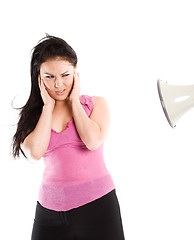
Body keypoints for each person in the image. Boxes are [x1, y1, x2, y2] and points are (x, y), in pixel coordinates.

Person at [12, 35, 125, 240]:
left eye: (65, 75)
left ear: (76, 73)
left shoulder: (96, 104)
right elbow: (35, 152)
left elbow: (93, 141)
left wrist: (74, 102)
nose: (58, 84)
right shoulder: (34, 117)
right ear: (38, 77)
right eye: (49, 77)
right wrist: (47, 108)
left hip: (98, 207)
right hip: (49, 213)